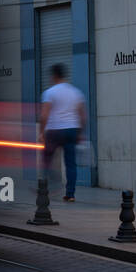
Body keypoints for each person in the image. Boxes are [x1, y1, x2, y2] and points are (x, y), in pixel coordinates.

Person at [39, 62, 88, 202]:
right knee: (71, 163)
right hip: (72, 129)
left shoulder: (50, 92)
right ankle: (70, 194)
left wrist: (41, 132)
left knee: (47, 160)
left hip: (55, 130)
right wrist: (79, 133)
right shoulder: (76, 92)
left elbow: (44, 115)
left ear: (54, 75)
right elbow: (83, 116)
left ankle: (51, 187)